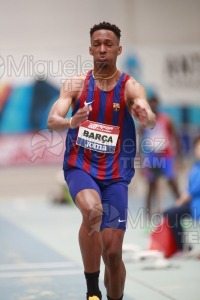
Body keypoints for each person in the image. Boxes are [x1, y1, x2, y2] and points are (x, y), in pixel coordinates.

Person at [47, 22, 156, 300]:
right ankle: (92, 291)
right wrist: (71, 120)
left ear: (118, 49)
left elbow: (145, 109)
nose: (103, 49)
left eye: (108, 44)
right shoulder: (76, 84)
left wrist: (147, 116)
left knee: (113, 252)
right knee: (93, 212)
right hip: (80, 167)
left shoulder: (129, 86)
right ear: (90, 49)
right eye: (97, 44)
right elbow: (52, 120)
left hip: (116, 175)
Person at [140, 96, 181, 218]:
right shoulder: (144, 121)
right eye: (150, 104)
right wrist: (141, 159)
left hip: (166, 157)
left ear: (157, 104)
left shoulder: (166, 119)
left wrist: (178, 156)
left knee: (172, 183)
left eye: (154, 103)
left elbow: (175, 137)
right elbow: (140, 140)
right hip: (151, 158)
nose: (153, 106)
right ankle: (147, 217)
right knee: (151, 186)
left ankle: (183, 210)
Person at [163, 136, 200, 253]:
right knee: (170, 213)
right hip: (194, 204)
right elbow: (188, 188)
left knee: (174, 210)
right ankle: (182, 247)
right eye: (198, 148)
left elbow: (193, 190)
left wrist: (181, 200)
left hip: (196, 203)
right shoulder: (195, 167)